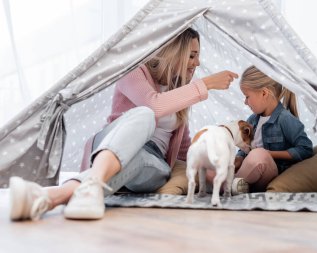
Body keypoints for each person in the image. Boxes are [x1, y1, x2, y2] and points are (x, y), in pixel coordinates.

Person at [8, 27, 239, 221]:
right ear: (173, 53)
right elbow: (153, 105)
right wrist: (205, 84)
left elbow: (183, 150)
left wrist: (215, 162)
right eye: (192, 55)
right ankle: (90, 187)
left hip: (152, 163)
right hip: (108, 145)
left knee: (138, 157)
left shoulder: (180, 92)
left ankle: (48, 198)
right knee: (145, 115)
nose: (197, 63)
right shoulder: (133, 70)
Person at [233, 65, 313, 192]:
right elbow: (244, 148)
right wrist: (238, 159)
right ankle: (232, 183)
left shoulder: (285, 119)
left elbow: (305, 149)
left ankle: (226, 185)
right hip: (248, 176)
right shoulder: (252, 120)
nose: (245, 102)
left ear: (264, 93)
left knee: (258, 155)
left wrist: (269, 154)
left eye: (247, 96)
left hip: (269, 175)